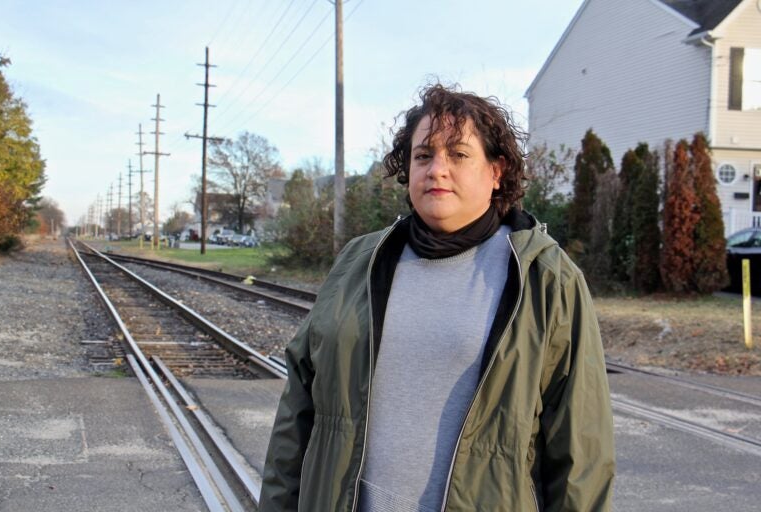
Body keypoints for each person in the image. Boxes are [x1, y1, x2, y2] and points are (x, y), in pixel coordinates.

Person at [259, 84, 615, 512]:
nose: (436, 169)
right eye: (423, 155)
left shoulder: (545, 278)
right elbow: (298, 411)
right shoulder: (358, 262)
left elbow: (581, 450)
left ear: (496, 171)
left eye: (459, 154)